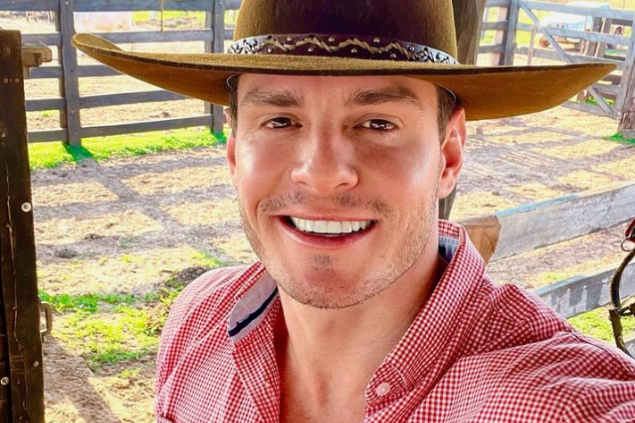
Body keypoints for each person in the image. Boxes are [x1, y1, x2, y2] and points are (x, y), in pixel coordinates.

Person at [72, 0, 635, 421]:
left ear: (448, 156)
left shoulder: (563, 404)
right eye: (279, 121)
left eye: (377, 124)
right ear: (235, 153)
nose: (320, 172)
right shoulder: (199, 321)